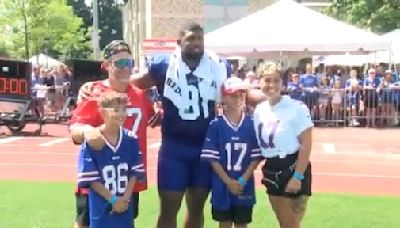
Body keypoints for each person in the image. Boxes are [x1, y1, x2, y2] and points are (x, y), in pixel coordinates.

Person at [70, 40, 152, 228]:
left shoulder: (140, 95)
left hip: (126, 179)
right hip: (97, 179)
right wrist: (87, 130)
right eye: (120, 63)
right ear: (106, 65)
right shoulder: (94, 93)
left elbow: (157, 118)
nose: (126, 68)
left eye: (129, 63)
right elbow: (74, 131)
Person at [253, 62, 313, 228]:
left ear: (282, 83)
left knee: (290, 225)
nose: (271, 85)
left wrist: (297, 177)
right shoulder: (259, 110)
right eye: (267, 80)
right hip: (272, 168)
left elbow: (306, 144)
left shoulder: (296, 108)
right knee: (283, 222)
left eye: (276, 80)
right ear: (260, 82)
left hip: (293, 166)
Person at [201, 77, 262, 228]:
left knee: (242, 223)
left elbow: (255, 158)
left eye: (241, 94)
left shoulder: (251, 123)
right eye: (233, 94)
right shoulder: (216, 125)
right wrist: (228, 182)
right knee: (224, 223)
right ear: (224, 98)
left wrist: (242, 180)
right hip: (222, 184)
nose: (237, 98)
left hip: (244, 184)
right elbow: (212, 159)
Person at [77, 92, 144, 228]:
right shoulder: (93, 141)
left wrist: (125, 198)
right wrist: (113, 200)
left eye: (124, 110)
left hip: (125, 203)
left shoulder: (131, 139)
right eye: (116, 110)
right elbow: (92, 180)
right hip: (102, 205)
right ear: (102, 112)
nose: (121, 114)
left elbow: (134, 173)